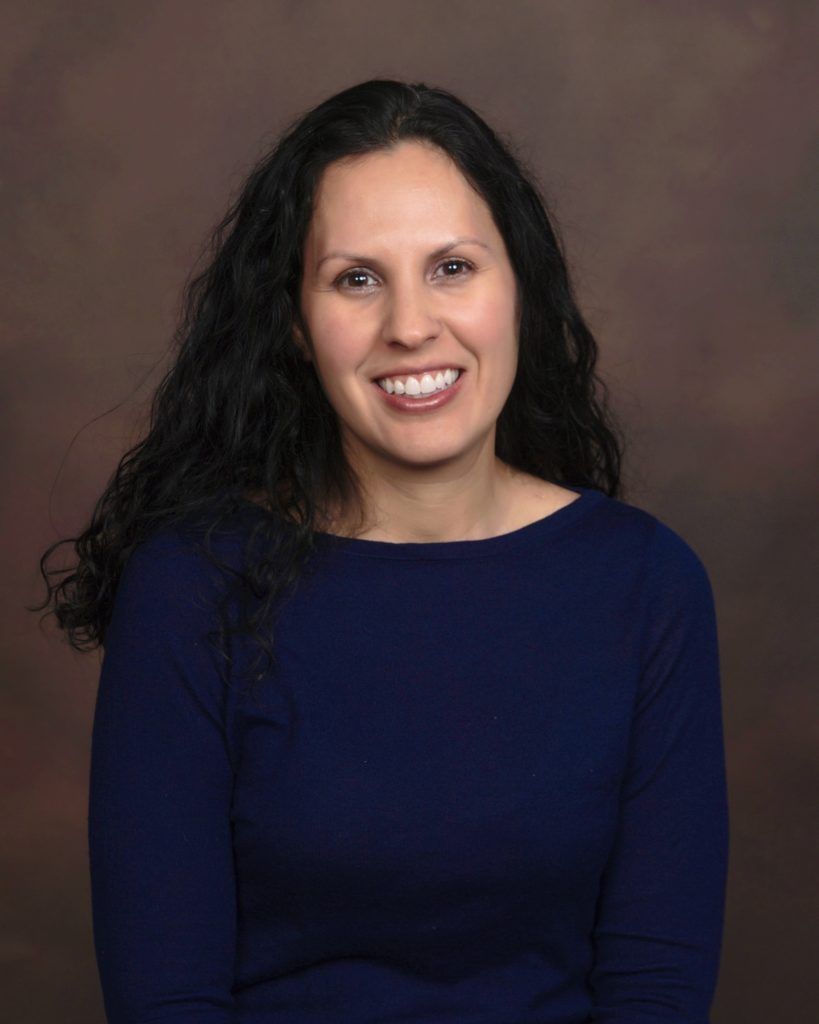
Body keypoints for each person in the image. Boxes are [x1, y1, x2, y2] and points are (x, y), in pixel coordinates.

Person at [33, 79, 729, 1022]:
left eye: (452, 267)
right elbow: (168, 998)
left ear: (517, 285)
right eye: (356, 278)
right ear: (292, 320)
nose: (409, 325)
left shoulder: (644, 586)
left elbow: (656, 989)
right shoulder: (192, 587)